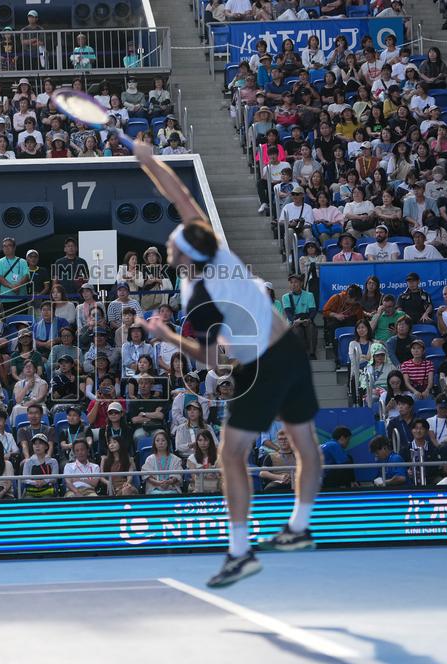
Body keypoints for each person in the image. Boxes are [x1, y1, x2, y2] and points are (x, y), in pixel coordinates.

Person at [129, 138, 322, 585]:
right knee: (305, 447)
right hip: (290, 349)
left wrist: (166, 335)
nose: (170, 248)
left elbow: (212, 359)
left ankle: (239, 552)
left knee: (230, 453)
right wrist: (147, 160)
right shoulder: (219, 252)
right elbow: (180, 195)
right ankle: (299, 527)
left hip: (263, 365)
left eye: (173, 248)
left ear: (184, 255)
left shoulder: (200, 296)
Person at [282, 273, 318, 358]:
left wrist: (309, 319)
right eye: (291, 282)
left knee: (311, 328)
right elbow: (288, 313)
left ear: (301, 283)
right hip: (294, 321)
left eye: (296, 282)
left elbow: (313, 311)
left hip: (306, 319)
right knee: (297, 331)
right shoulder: (286, 297)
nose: (293, 284)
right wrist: (295, 321)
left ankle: (312, 353)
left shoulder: (309, 295)